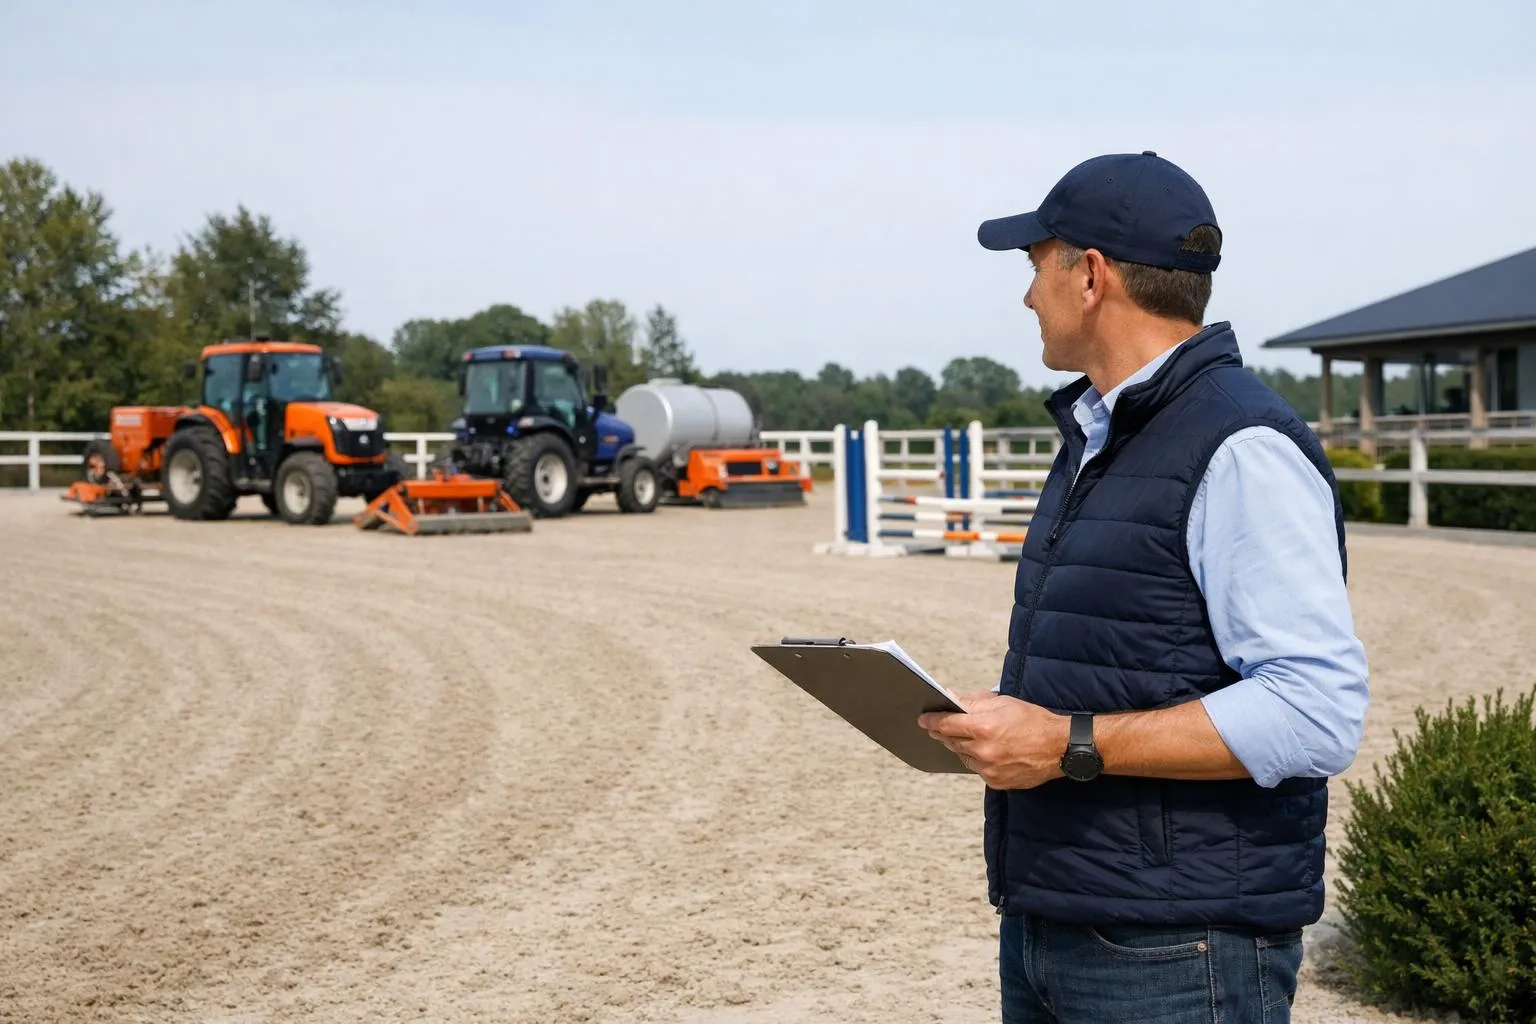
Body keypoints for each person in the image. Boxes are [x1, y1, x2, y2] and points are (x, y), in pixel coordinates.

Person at [917, 152, 1370, 1023]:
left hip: (1178, 950)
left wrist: (1065, 742)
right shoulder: (1101, 432)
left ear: (1089, 275)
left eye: (1034, 266)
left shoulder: (1241, 446)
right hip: (1060, 915)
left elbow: (1316, 710)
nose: (1025, 296)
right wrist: (1019, 727)